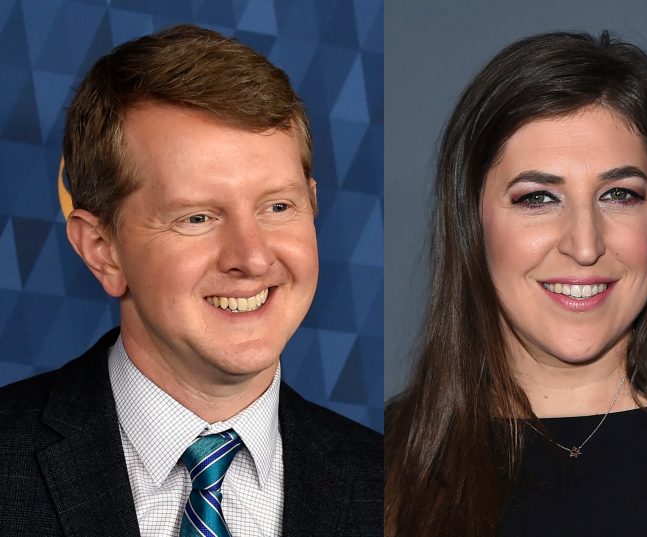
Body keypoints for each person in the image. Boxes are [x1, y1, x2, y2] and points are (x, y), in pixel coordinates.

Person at [0, 25, 382, 537]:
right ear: (102, 250)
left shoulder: (393, 483)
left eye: (277, 207)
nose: (250, 257)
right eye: (197, 217)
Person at [385, 31, 647, 537]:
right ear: (472, 223)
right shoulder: (378, 463)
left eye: (619, 194)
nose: (584, 245)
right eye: (538, 199)